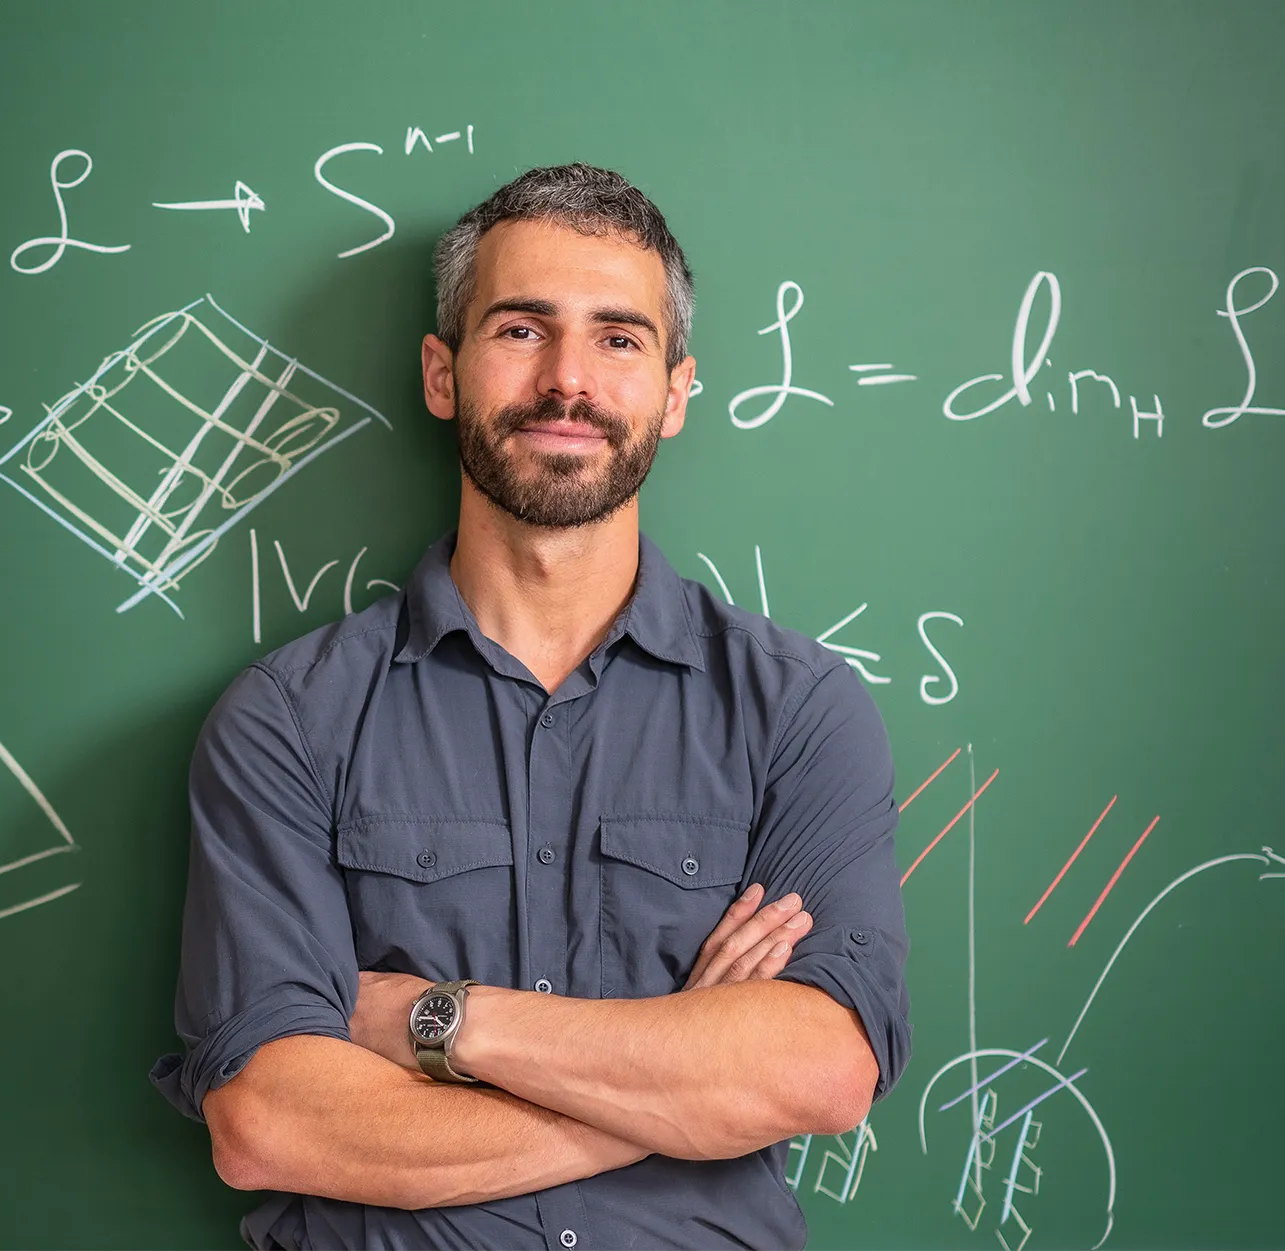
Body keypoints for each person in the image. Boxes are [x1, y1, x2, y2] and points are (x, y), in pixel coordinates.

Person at [149, 164, 911, 1250]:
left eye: (618, 338)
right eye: (518, 330)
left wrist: (432, 1023)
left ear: (675, 390)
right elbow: (268, 1123)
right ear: (440, 373)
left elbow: (821, 1072)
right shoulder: (287, 722)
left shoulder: (798, 714)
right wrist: (680, 1083)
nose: (568, 381)